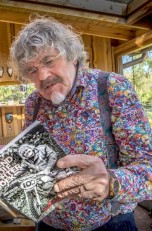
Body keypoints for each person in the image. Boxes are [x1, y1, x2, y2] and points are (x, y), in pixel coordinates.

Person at [9, 16, 152, 231]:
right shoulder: (33, 103)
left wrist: (110, 183)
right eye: (32, 70)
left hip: (110, 224)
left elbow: (148, 171)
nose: (43, 76)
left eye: (48, 61)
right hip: (49, 225)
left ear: (72, 55)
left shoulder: (112, 88)